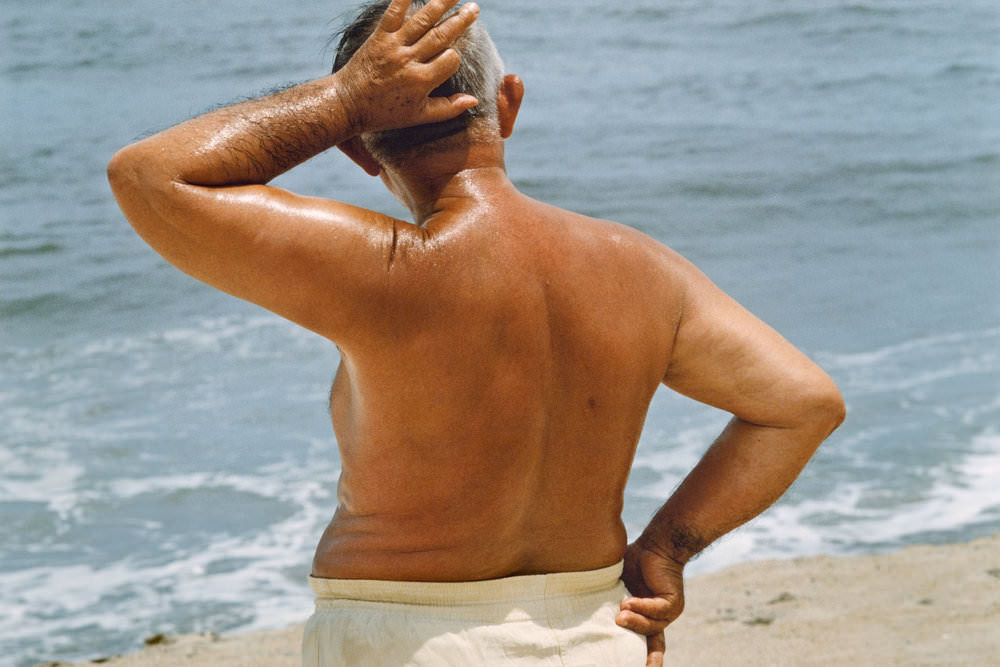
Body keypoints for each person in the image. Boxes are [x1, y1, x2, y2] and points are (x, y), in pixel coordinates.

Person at [107, 0, 845, 664]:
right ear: (510, 102)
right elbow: (804, 403)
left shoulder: (387, 271)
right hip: (595, 635)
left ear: (359, 152)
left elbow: (148, 176)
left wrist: (343, 98)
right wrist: (666, 548)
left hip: (405, 643)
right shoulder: (643, 271)